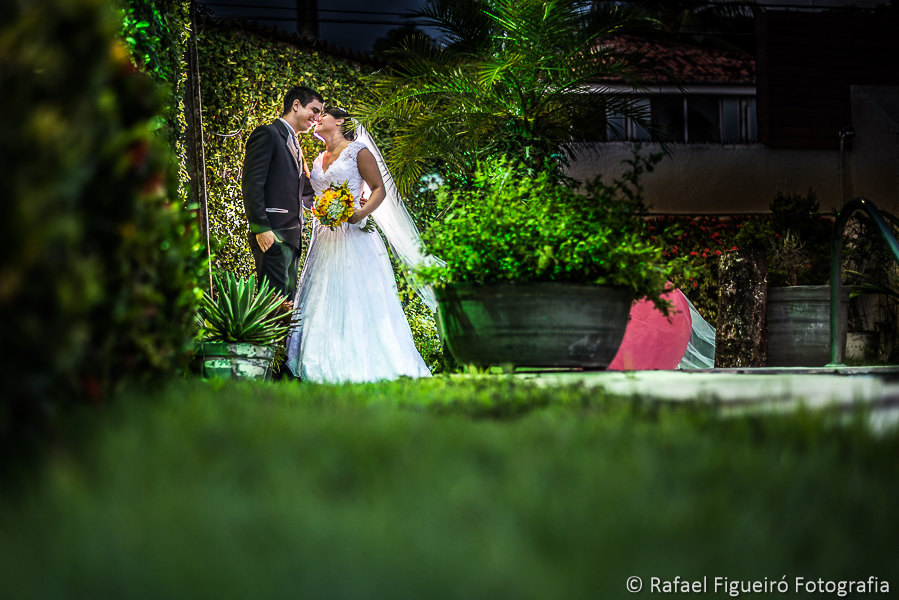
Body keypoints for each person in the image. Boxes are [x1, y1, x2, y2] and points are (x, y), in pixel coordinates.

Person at [285, 107, 432, 383]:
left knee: (355, 296)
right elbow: (313, 195)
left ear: (340, 121)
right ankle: (317, 359)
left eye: (324, 115)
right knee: (322, 296)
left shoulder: (358, 151)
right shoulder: (317, 159)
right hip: (324, 238)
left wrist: (361, 213)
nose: (318, 119)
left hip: (354, 235)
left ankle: (365, 361)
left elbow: (379, 188)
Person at [242, 86, 323, 300]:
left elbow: (306, 193)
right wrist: (261, 228)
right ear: (296, 105)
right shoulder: (268, 134)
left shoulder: (295, 143)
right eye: (314, 110)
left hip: (293, 239)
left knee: (286, 308)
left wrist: (343, 204)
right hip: (273, 234)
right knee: (273, 306)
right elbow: (252, 183)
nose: (316, 118)